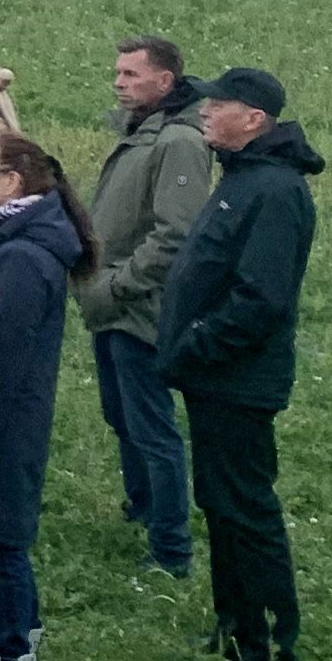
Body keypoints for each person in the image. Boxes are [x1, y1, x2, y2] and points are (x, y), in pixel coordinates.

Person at [151, 67, 324, 661]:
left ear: (254, 120)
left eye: (218, 103)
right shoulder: (243, 178)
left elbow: (261, 299)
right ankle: (235, 628)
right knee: (221, 503)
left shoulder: (273, 191)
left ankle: (272, 645)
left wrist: (195, 343)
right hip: (215, 377)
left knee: (245, 509)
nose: (204, 111)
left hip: (237, 380)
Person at [0, 133, 88, 661]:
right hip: (12, 419)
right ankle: (18, 656)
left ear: (12, 183)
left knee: (1, 545)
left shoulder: (22, 257)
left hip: (5, 424)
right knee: (1, 541)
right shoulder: (18, 241)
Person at [79, 37, 216, 578]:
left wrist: (116, 285)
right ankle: (142, 509)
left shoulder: (179, 141)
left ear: (166, 80)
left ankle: (171, 548)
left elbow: (176, 233)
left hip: (138, 306)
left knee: (152, 428)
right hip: (112, 301)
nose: (119, 81)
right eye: (117, 72)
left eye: (132, 74)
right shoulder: (144, 130)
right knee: (122, 416)